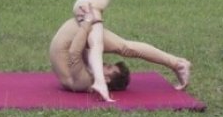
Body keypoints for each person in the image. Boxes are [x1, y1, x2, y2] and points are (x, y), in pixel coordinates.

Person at [49, 7, 191, 95]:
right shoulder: (85, 78)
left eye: (108, 67)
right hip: (75, 32)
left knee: (125, 47)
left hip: (76, 32)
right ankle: (176, 63)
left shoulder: (83, 81)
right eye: (108, 66)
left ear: (106, 79)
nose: (105, 63)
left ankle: (177, 64)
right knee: (124, 47)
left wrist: (86, 23)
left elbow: (74, 52)